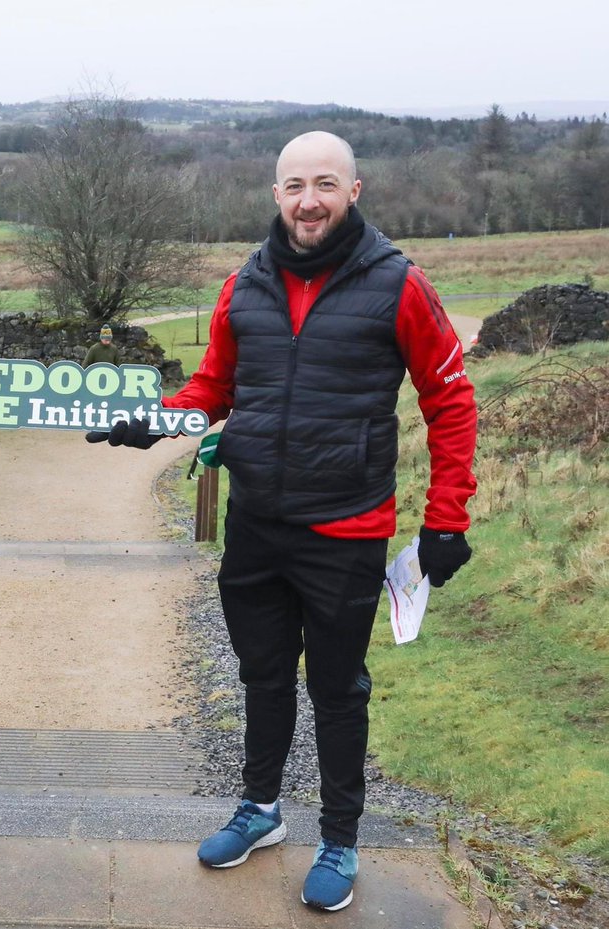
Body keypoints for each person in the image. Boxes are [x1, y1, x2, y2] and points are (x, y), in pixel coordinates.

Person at [90, 131, 476, 912]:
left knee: (337, 689)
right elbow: (213, 386)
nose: (309, 200)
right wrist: (154, 420)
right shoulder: (245, 285)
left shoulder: (399, 284)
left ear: (354, 191)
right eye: (295, 185)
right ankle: (260, 809)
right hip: (257, 525)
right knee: (262, 675)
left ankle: (340, 838)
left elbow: (450, 399)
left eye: (325, 184)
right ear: (276, 195)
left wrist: (446, 519)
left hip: (347, 528)